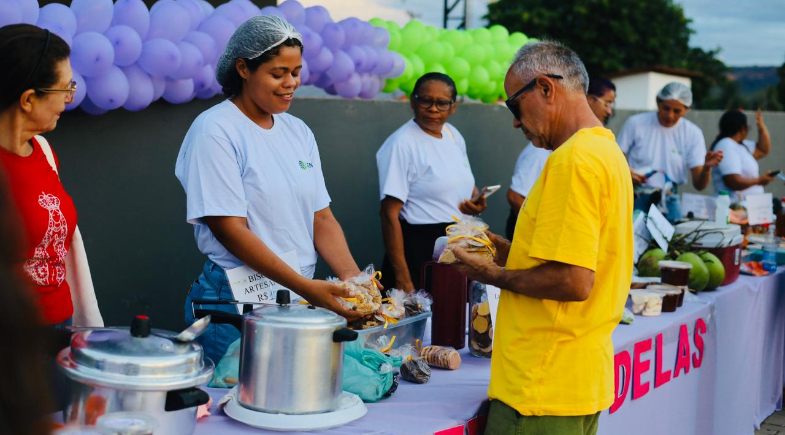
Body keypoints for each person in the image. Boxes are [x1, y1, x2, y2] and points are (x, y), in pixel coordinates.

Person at [451, 41, 633, 435]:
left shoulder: (573, 160)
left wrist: (490, 275)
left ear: (546, 88)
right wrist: (506, 251)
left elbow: (571, 280)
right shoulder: (605, 151)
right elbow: (577, 260)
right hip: (575, 379)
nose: (516, 122)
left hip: (540, 388)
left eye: (514, 106)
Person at [175, 16, 367, 364]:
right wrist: (305, 288)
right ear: (244, 69)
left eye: (296, 72)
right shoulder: (216, 130)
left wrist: (354, 278)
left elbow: (321, 218)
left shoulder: (298, 131)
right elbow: (230, 229)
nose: (290, 83)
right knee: (235, 403)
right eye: (278, 73)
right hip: (236, 301)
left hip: (295, 296)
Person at [0, 24, 101, 328]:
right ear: (29, 99)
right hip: (15, 341)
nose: (69, 99)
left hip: (61, 326)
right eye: (65, 88)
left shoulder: (43, 150)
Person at [376, 72, 486, 292]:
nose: (433, 109)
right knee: (424, 322)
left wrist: (475, 203)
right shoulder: (402, 143)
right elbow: (389, 214)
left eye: (442, 103)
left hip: (455, 247)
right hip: (419, 251)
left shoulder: (452, 134)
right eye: (426, 100)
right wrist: (403, 278)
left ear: (453, 107)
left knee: (453, 319)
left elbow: (463, 184)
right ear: (412, 101)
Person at [505, 76, 615, 239]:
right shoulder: (544, 149)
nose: (516, 122)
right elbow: (515, 196)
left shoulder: (579, 152)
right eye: (606, 103)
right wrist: (539, 234)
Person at [617, 82, 722, 189]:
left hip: (670, 195)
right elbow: (616, 157)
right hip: (636, 192)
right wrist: (627, 174)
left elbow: (699, 185)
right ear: (658, 102)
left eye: (677, 111)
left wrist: (706, 168)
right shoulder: (636, 123)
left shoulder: (692, 133)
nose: (670, 115)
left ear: (687, 109)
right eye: (666, 108)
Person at [710, 109, 774, 203]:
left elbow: (763, 150)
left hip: (748, 208)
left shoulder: (740, 145)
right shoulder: (726, 145)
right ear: (743, 128)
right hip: (734, 207)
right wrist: (759, 180)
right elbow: (733, 181)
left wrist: (761, 127)